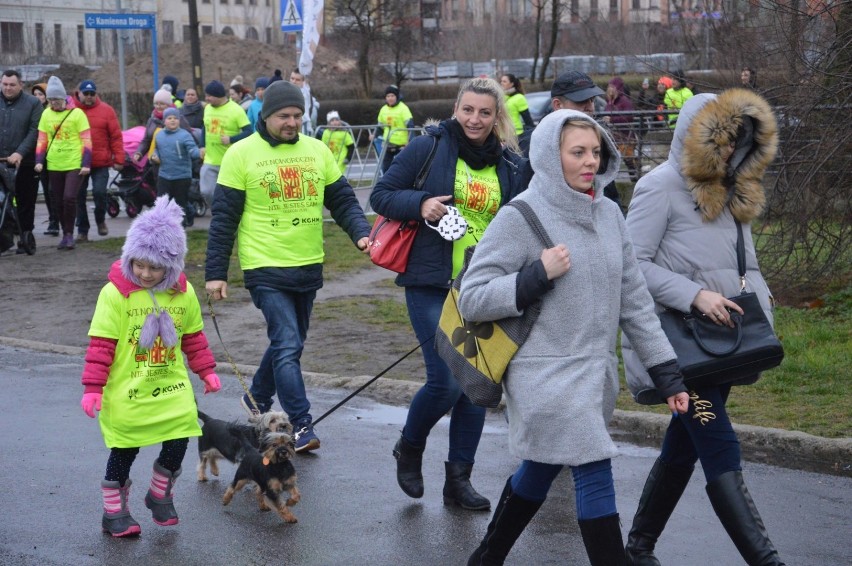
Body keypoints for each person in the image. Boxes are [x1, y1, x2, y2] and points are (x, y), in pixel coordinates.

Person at [459, 109, 689, 565]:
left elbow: (636, 301)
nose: (589, 162)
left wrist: (667, 373)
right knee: (592, 466)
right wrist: (534, 276)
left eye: (595, 152)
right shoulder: (520, 215)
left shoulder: (609, 215)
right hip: (543, 374)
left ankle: (487, 556)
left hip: (593, 374)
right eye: (577, 152)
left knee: (540, 468)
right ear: (550, 156)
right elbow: (473, 299)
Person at [622, 89, 785, 566]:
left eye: (739, 140)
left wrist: (761, 305)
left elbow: (743, 264)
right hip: (678, 346)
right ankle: (766, 560)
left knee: (684, 444)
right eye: (723, 140)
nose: (731, 150)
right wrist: (693, 294)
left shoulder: (735, 187)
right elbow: (631, 266)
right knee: (718, 443)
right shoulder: (659, 186)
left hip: (720, 344)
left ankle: (638, 545)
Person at [369, 77, 532, 512]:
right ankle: (410, 446)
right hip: (431, 281)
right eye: (468, 110)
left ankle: (458, 480)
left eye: (485, 112)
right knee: (444, 382)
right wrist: (420, 203)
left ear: (497, 116)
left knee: (476, 384)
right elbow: (381, 194)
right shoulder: (429, 147)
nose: (475, 120)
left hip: (483, 288)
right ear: (455, 110)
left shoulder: (511, 165)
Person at [205, 81, 371, 453]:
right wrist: (215, 272)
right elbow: (224, 219)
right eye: (284, 116)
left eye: (298, 116)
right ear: (265, 116)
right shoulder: (241, 154)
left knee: (288, 344)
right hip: (264, 264)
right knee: (287, 343)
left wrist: (361, 233)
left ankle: (256, 398)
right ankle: (300, 425)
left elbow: (342, 199)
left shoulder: (317, 150)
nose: (292, 122)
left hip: (307, 263)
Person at [80, 196, 221, 538]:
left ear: (171, 266)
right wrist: (93, 388)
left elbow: (194, 339)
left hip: (170, 385)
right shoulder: (115, 294)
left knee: (180, 437)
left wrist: (206, 370)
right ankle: (114, 512)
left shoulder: (182, 295)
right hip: (129, 389)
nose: (144, 273)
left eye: (155, 267)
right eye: (139, 264)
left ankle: (160, 493)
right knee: (124, 448)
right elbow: (102, 345)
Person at [549, 69, 622, 207]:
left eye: (592, 100)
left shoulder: (600, 140)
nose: (590, 107)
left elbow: (609, 193)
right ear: (558, 105)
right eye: (581, 100)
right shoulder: (534, 146)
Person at [34, 76, 91, 251]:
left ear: (63, 98)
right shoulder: (46, 114)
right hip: (54, 164)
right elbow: (42, 140)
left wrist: (86, 163)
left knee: (69, 198)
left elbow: (86, 139)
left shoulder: (77, 114)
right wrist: (39, 161)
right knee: (57, 201)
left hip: (73, 162)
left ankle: (69, 234)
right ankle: (65, 233)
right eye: (50, 100)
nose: (53, 104)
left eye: (56, 100)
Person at [75, 79, 125, 242]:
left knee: (99, 192)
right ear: (79, 93)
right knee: (78, 196)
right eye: (86, 93)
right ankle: (83, 230)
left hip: (100, 162)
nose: (89, 97)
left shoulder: (107, 111)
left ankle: (100, 219)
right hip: (77, 162)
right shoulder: (71, 110)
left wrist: (119, 158)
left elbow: (116, 137)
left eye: (92, 93)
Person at [0, 69, 42, 253]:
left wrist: (20, 153)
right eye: (5, 84)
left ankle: (25, 234)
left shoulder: (32, 103)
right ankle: (5, 236)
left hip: (24, 162)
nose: (8, 88)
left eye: (12, 85)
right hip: (1, 159)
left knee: (25, 201)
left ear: (21, 85)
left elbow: (35, 131)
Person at [197, 80, 252, 206]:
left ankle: (226, 214)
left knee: (231, 195)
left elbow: (249, 131)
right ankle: (218, 210)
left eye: (209, 96)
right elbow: (205, 127)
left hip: (229, 161)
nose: (207, 99)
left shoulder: (236, 110)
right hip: (210, 160)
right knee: (206, 191)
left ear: (219, 96)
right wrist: (202, 146)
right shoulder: (208, 109)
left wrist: (231, 139)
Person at [151, 108, 201, 227]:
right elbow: (157, 149)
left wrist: (198, 152)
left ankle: (181, 224)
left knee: (180, 202)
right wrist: (155, 156)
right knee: (162, 201)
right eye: (169, 118)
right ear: (164, 121)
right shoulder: (159, 135)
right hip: (164, 174)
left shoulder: (184, 135)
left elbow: (192, 149)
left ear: (179, 120)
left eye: (175, 118)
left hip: (182, 175)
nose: (173, 121)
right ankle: (162, 225)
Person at [133, 89, 196, 165]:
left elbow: (190, 139)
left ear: (169, 104)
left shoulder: (178, 119)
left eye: (162, 104)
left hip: (175, 162)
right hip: (154, 161)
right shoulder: (152, 120)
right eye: (156, 104)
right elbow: (146, 140)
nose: (158, 106)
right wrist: (139, 153)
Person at [31, 82, 59, 236]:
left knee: (52, 190)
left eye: (40, 94)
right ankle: (53, 220)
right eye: (35, 95)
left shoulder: (51, 112)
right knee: (47, 192)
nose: (37, 97)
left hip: (53, 155)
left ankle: (56, 220)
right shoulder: (31, 111)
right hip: (38, 156)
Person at [371, 85, 414, 173]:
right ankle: (387, 185)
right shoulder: (383, 109)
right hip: (387, 144)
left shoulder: (403, 108)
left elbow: (410, 126)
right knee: (386, 168)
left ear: (397, 97)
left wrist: (409, 141)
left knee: (401, 168)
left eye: (392, 96)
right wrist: (374, 135)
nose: (390, 98)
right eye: (388, 96)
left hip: (402, 145)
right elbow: (380, 126)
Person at [603, 76, 638, 181]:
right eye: (609, 86)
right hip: (614, 136)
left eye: (612, 86)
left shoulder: (624, 101)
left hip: (625, 136)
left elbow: (628, 117)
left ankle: (635, 180)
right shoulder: (609, 102)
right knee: (611, 160)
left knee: (628, 160)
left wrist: (612, 119)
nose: (610, 89)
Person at [289, 70, 319, 136]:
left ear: (303, 82)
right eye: (292, 78)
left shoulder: (305, 93)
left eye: (297, 80)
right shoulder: (287, 92)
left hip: (303, 124)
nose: (294, 81)